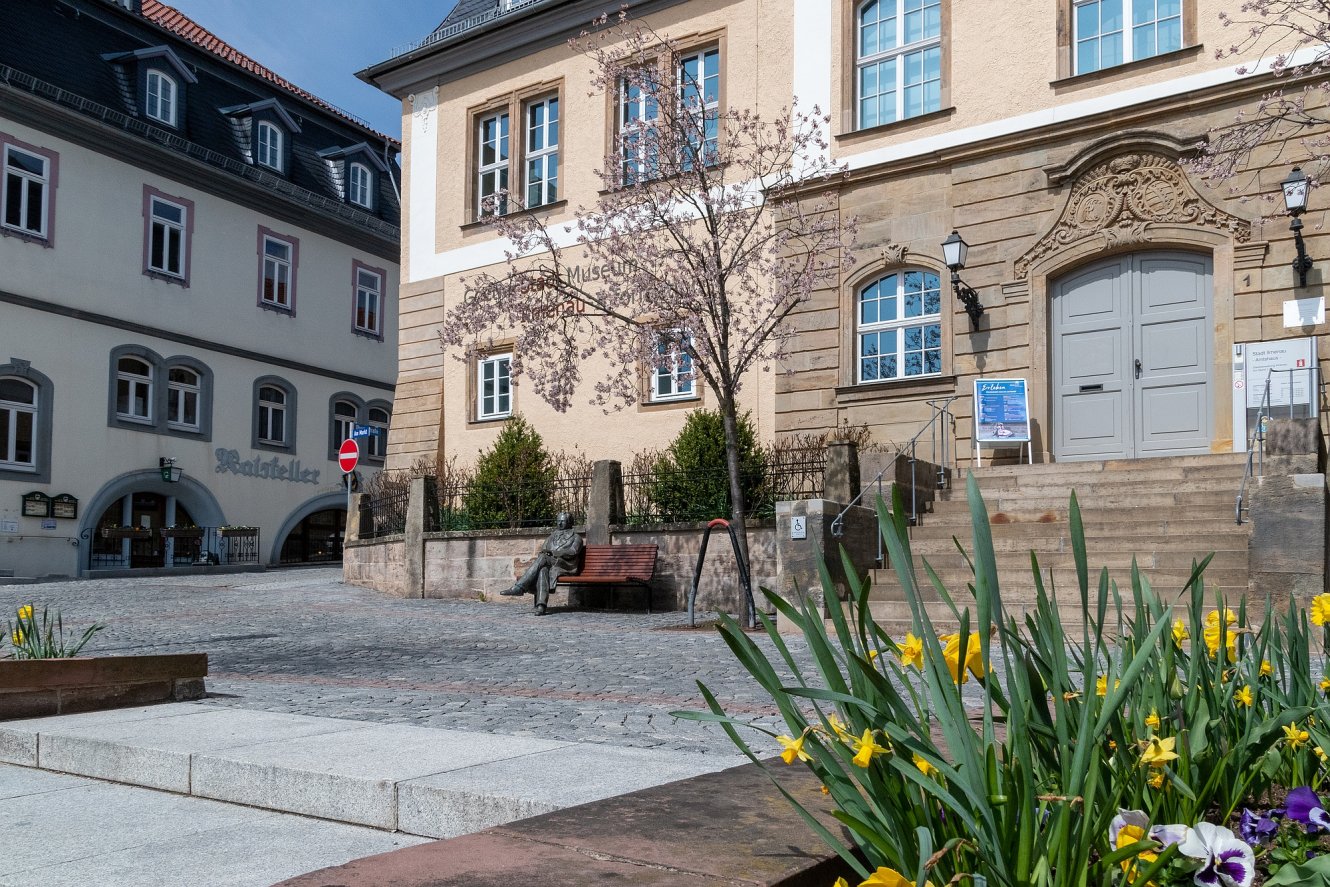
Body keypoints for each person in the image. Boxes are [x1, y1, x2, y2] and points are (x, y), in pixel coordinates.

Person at [500, 512, 583, 615]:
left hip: (564, 565)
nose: (560, 524)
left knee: (543, 559)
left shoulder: (576, 537)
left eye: (563, 521)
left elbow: (573, 551)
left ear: (570, 522)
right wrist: (547, 554)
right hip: (549, 563)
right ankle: (541, 606)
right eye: (558, 521)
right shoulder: (551, 536)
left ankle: (519, 587)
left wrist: (554, 553)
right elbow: (543, 550)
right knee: (542, 570)